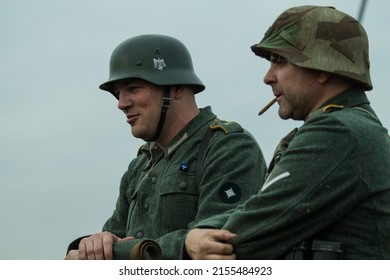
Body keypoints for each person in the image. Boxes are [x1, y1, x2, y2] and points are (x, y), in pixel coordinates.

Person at [184, 6, 390, 260]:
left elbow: (246, 236)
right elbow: (263, 208)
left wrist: (194, 239)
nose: (268, 77)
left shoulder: (338, 132)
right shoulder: (352, 125)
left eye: (279, 61)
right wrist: (195, 234)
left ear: (323, 67)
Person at [65, 34, 267, 260]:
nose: (121, 103)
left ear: (177, 87)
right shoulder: (140, 165)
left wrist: (120, 252)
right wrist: (91, 244)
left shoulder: (229, 147)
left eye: (133, 88)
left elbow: (216, 241)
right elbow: (112, 237)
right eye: (118, 94)